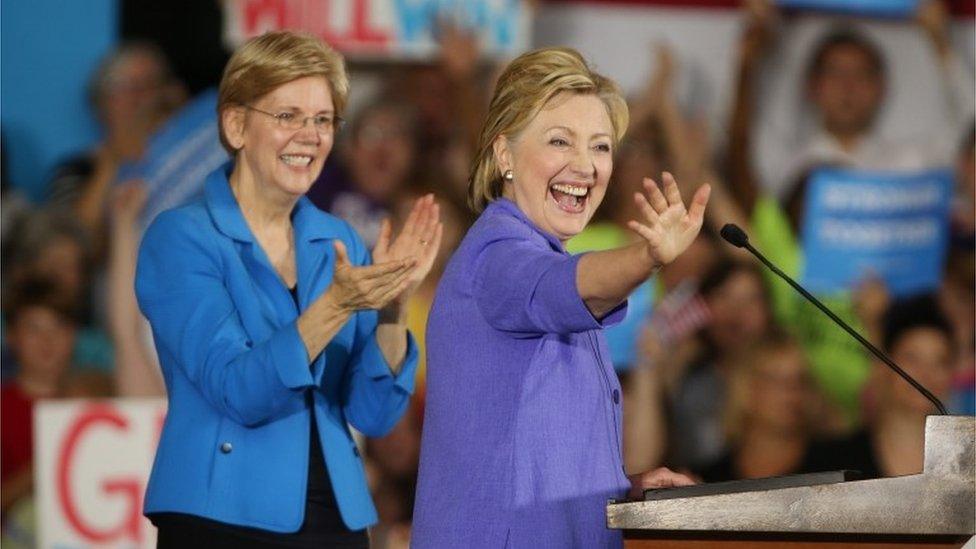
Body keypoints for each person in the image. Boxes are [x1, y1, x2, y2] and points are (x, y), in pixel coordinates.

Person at [134, 31, 442, 546]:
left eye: (322, 120)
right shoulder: (182, 238)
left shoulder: (338, 240)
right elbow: (239, 390)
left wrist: (392, 307)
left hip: (336, 521)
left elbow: (374, 413)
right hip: (221, 517)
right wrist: (336, 306)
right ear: (236, 124)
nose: (310, 135)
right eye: (287, 116)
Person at [412, 47, 708, 548]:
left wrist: (618, 491)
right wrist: (648, 257)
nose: (586, 166)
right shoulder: (497, 255)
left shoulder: (537, 250)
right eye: (559, 142)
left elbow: (532, 456)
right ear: (504, 153)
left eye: (600, 147)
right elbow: (561, 285)